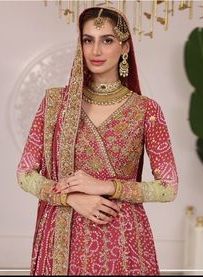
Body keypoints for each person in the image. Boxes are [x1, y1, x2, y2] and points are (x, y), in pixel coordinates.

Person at [16, 5, 178, 276]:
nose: (96, 51)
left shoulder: (146, 110)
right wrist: (71, 197)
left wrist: (106, 186)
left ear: (125, 48)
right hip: (62, 239)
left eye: (107, 40)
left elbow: (168, 187)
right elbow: (24, 174)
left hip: (123, 240)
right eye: (88, 40)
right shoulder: (55, 103)